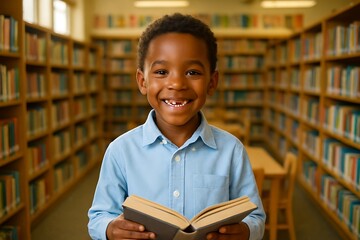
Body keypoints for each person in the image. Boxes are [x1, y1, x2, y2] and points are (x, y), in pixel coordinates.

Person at [88, 12, 265, 240]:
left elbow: (256, 217)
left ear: (212, 82)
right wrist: (110, 229)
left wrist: (246, 231)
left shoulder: (232, 150)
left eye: (192, 72)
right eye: (161, 72)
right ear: (143, 82)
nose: (177, 84)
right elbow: (99, 216)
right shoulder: (120, 151)